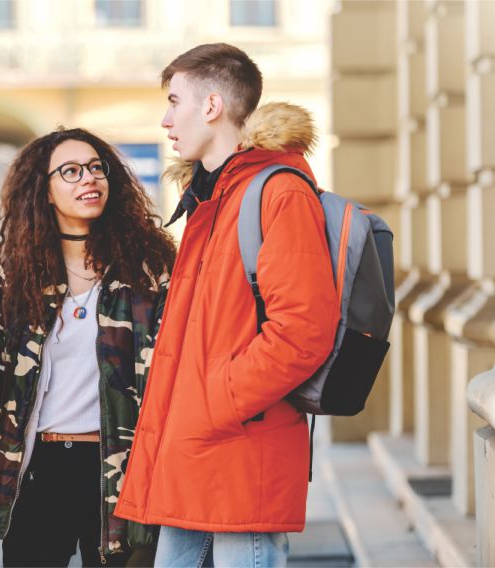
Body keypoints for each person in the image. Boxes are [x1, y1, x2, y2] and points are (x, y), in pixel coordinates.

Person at [113, 44, 339, 567]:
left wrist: (216, 402)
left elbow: (302, 331)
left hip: (238, 446)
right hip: (196, 446)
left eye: (175, 102)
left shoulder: (277, 192)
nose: (166, 120)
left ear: (212, 105)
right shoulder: (213, 198)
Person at [0, 127, 176, 566]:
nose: (88, 179)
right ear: (45, 191)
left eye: (96, 168)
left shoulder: (149, 271)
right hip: (37, 468)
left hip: (122, 472)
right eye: (70, 171)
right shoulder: (17, 277)